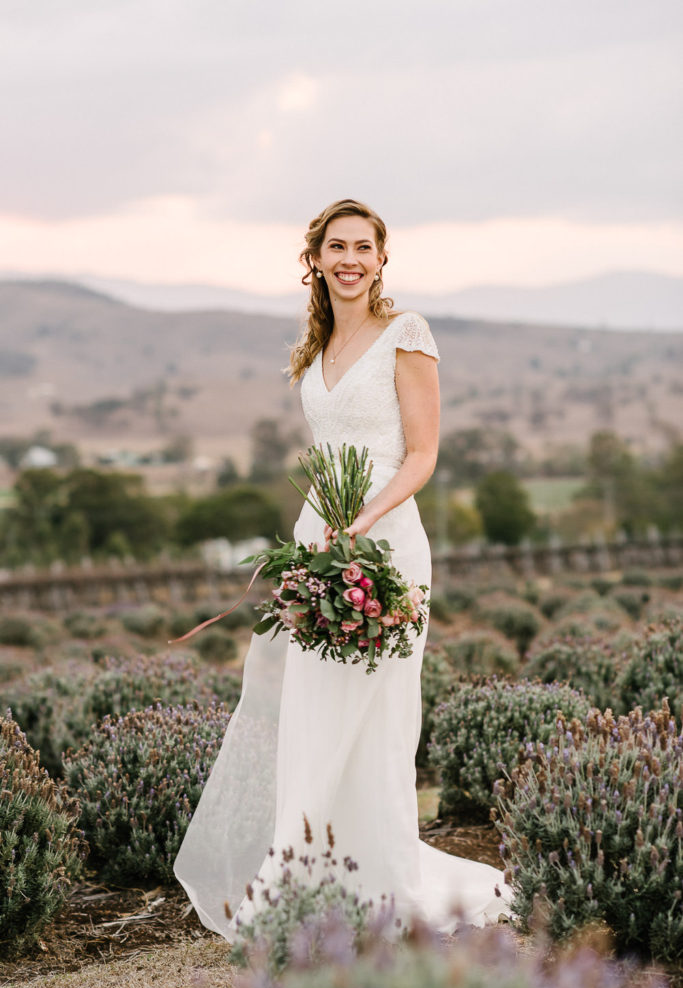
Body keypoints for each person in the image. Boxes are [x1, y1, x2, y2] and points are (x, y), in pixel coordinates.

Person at [174, 199, 511, 937]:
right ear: (316, 260)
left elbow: (421, 454)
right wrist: (322, 533)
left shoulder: (406, 334)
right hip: (318, 537)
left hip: (384, 542)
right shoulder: (316, 346)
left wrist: (361, 520)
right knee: (313, 707)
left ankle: (382, 880)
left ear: (381, 259)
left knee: (376, 716)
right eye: (337, 247)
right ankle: (306, 873)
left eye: (363, 247)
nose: (350, 259)